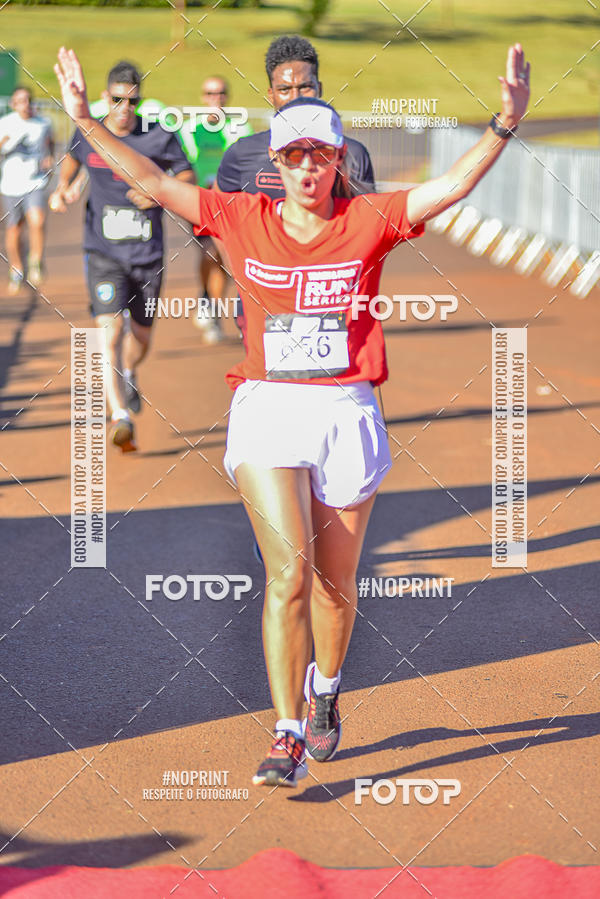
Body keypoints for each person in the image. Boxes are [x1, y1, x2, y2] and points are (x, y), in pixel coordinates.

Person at [55, 43, 530, 785]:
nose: (307, 167)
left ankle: (327, 693)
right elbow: (148, 177)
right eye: (294, 154)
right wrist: (83, 119)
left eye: (320, 154)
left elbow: (448, 189)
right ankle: (284, 733)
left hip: (345, 405)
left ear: (338, 159)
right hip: (269, 407)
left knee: (338, 584)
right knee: (290, 573)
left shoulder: (368, 219)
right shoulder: (243, 218)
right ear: (276, 161)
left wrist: (503, 125)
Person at [49, 61, 194, 452]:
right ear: (106, 97)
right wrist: (62, 188)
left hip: (146, 255)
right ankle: (120, 417)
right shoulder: (90, 131)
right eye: (117, 100)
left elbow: (186, 176)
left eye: (132, 101)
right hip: (103, 252)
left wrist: (157, 193)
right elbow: (72, 161)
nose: (124, 108)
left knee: (142, 337)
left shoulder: (159, 136)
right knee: (109, 332)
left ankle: (129, 371)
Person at [216, 35, 375, 198]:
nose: (295, 97)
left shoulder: (353, 155)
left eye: (305, 87)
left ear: (319, 89)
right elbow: (217, 216)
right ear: (271, 95)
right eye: (284, 89)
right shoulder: (242, 153)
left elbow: (364, 219)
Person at [179, 75, 252, 343]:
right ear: (202, 97)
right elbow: (183, 165)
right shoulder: (189, 128)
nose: (215, 98)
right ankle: (207, 299)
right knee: (210, 252)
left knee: (224, 260)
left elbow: (243, 165)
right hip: (200, 200)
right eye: (209, 93)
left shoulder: (238, 128)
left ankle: (210, 306)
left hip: (230, 201)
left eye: (220, 93)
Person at [0, 86, 54, 293]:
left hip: (35, 182)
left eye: (28, 100)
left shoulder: (43, 123)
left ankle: (35, 260)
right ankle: (16, 268)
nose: (25, 105)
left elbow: (51, 143)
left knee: (37, 220)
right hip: (11, 185)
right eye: (20, 101)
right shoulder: (5, 124)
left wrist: (49, 157)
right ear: (14, 105)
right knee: (14, 229)